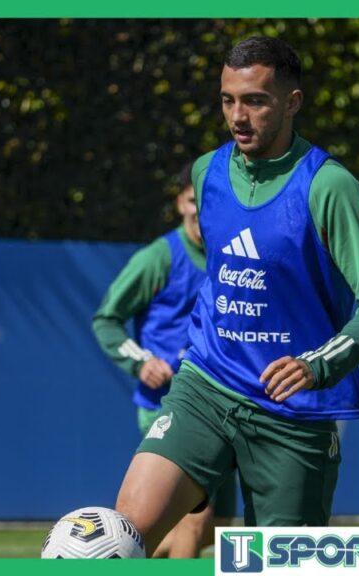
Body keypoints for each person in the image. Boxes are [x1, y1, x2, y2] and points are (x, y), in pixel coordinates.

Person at [114, 35, 359, 552]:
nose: (238, 116)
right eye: (228, 100)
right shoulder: (207, 173)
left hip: (292, 410)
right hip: (206, 384)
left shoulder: (330, 187)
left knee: (276, 565)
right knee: (119, 536)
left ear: (292, 102)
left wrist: (318, 365)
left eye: (255, 101)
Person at [92, 163, 236, 558]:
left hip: (227, 403)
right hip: (170, 406)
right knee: (192, 519)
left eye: (209, 204)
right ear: (180, 204)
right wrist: (141, 362)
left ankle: (115, 557)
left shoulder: (238, 255)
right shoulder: (159, 257)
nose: (200, 212)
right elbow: (107, 320)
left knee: (218, 530)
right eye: (193, 202)